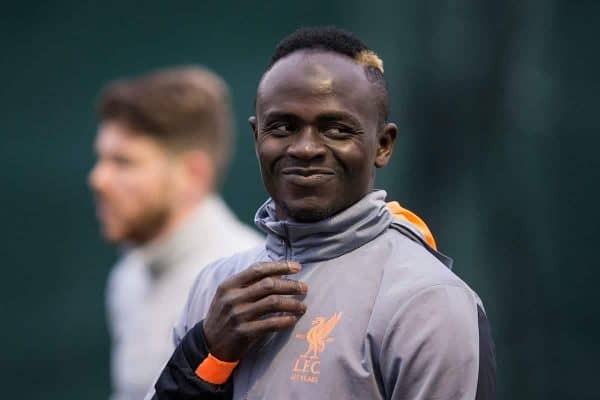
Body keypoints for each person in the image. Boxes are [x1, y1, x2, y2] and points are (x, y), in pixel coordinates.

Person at [149, 28, 496, 400]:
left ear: (382, 145)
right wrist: (207, 355)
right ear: (256, 138)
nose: (305, 148)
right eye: (283, 127)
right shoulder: (215, 288)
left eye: (335, 129)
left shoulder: (428, 301)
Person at [88, 66, 263, 400]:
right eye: (101, 158)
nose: (99, 179)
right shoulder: (128, 277)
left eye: (124, 162)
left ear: (192, 174)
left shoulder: (244, 283)